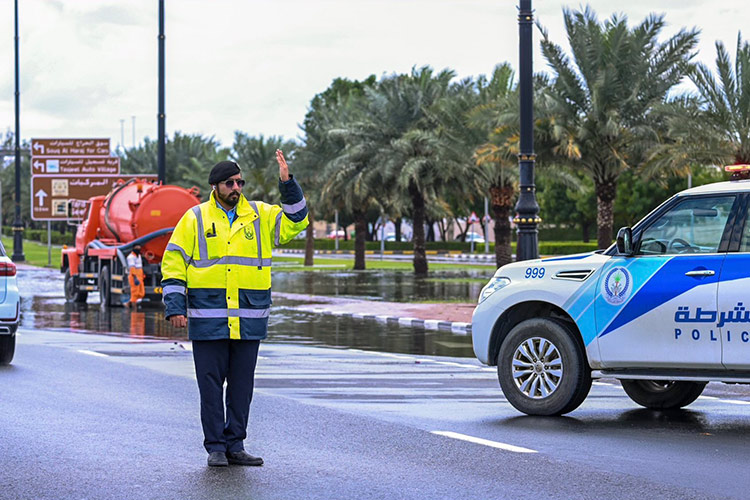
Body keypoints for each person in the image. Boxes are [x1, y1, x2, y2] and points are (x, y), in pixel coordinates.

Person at [161, 150, 308, 467]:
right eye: (230, 182)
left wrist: (287, 184)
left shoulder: (261, 215)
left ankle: (236, 444)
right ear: (215, 185)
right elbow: (173, 263)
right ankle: (216, 447)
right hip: (208, 318)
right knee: (211, 388)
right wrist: (174, 305)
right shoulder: (196, 218)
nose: (236, 187)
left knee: (242, 388)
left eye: (240, 182)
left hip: (249, 319)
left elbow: (297, 221)